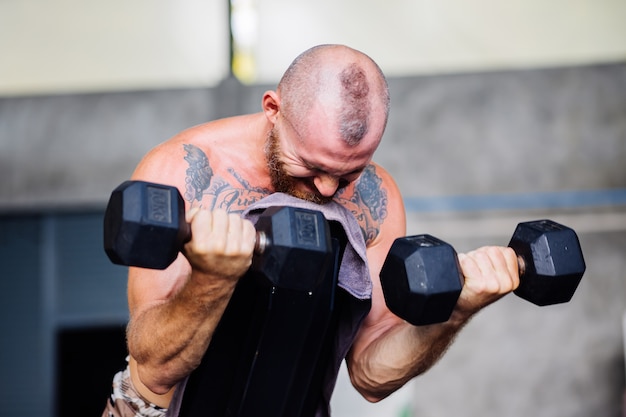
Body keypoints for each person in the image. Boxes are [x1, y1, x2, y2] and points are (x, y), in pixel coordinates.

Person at [102, 44, 520, 416]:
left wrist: (455, 312)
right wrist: (212, 278)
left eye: (348, 173)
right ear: (272, 108)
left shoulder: (376, 198)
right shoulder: (185, 172)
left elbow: (371, 376)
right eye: (313, 167)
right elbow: (156, 367)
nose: (326, 189)